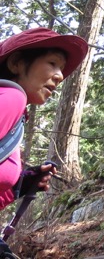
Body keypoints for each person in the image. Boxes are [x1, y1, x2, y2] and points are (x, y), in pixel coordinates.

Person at [0, 27, 88, 257]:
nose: (59, 76)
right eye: (52, 63)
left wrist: (21, 184)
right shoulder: (12, 97)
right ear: (16, 63)